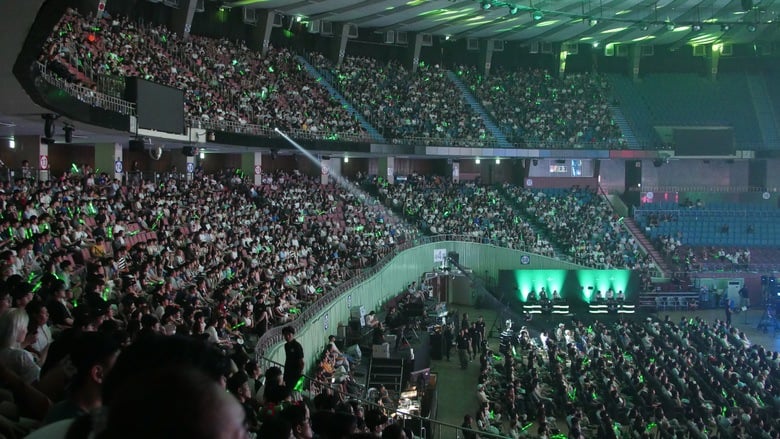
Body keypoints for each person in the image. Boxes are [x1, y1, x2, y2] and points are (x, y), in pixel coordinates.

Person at [283, 325, 304, 393]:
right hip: (288, 372)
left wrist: (300, 372)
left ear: (293, 334)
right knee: (288, 390)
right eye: (285, 335)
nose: (287, 336)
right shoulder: (286, 346)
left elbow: (301, 362)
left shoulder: (297, 346)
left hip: (296, 373)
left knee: (297, 392)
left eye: (289, 334)